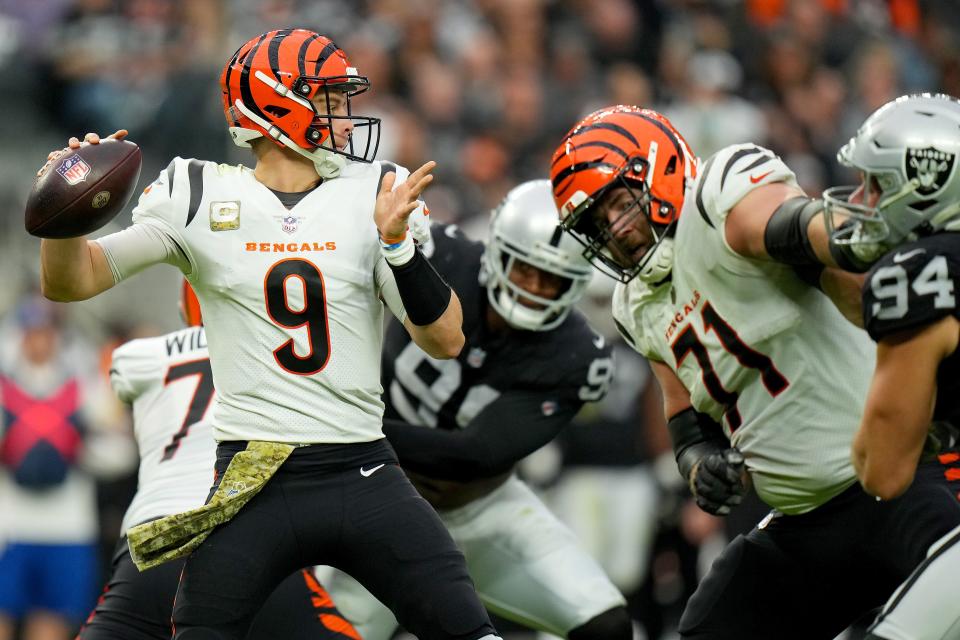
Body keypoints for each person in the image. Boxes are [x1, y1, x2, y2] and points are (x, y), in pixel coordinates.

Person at [38, 28, 501, 640]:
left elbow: (445, 339)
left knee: (469, 629)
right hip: (252, 478)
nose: (346, 114)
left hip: (361, 467)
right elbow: (74, 283)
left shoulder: (376, 193)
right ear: (280, 106)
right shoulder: (197, 194)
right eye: (329, 97)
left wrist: (397, 246)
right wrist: (62, 214)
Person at [549, 104, 960, 640]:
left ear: (662, 170)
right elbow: (681, 410)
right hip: (802, 521)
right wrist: (697, 462)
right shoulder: (634, 304)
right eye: (597, 223)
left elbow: (783, 222)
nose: (617, 230)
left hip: (899, 483)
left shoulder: (718, 193)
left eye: (622, 204)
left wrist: (834, 234)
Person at [324, 180, 632, 640]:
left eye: (552, 279)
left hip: (481, 506)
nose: (533, 289)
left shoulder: (576, 356)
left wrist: (349, 427)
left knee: (605, 624)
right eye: (525, 269)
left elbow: (477, 452)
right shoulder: (442, 258)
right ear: (498, 253)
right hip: (380, 500)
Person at [78, 281, 360, 640]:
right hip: (255, 542)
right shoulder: (292, 354)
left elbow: (110, 408)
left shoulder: (139, 356)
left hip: (152, 546)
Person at [818, 92, 960, 640]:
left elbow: (883, 472)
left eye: (873, 183)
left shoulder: (917, 275)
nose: (859, 198)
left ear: (924, 182)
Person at [0, 296, 133, 640]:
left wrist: (78, 445)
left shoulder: (85, 388)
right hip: (10, 527)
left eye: (46, 332)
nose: (40, 341)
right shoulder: (4, 388)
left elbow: (121, 453)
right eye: (32, 332)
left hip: (68, 528)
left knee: (52, 624)